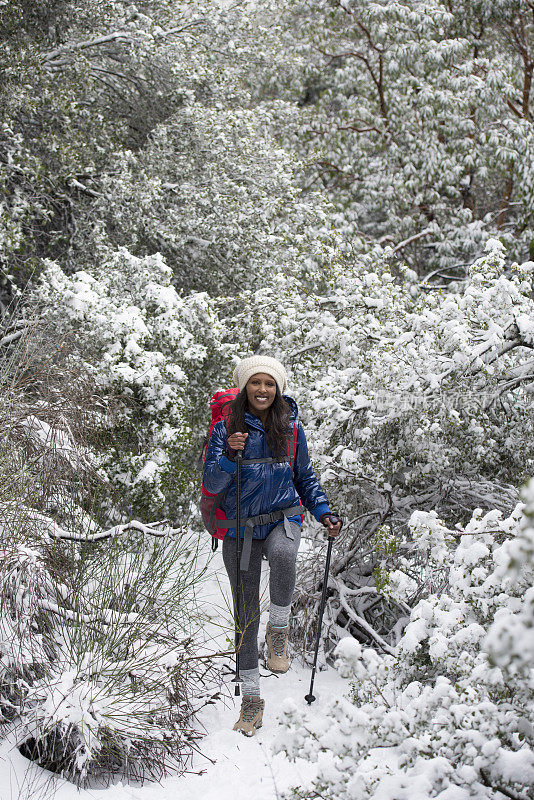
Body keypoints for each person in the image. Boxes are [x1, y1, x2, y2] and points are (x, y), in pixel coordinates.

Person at [203, 355, 342, 736]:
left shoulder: (291, 428)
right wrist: (230, 453)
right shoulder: (224, 428)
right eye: (255, 383)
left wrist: (324, 511)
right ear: (244, 387)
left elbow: (305, 476)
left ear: (278, 388)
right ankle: (251, 699)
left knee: (284, 555)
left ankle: (278, 631)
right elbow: (212, 484)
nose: (262, 390)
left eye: (269, 383)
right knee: (245, 615)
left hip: (283, 516)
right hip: (239, 530)